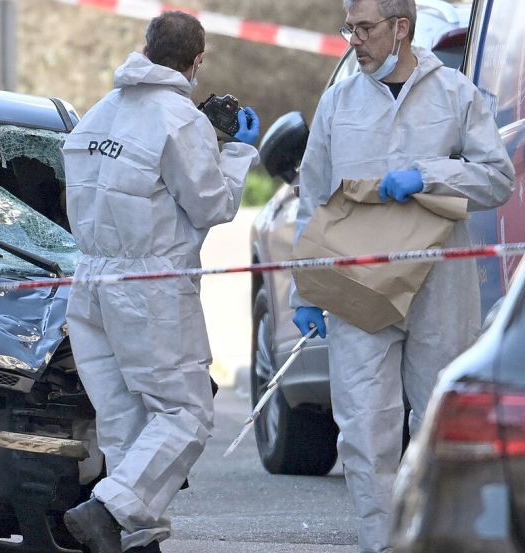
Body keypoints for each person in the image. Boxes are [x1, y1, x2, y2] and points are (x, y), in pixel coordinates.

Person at [289, 1, 515, 551]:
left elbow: (497, 179)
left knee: (439, 423)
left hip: (440, 283)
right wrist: (304, 287)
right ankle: (382, 544)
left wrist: (427, 177)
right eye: (349, 28)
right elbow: (313, 198)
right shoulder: (339, 101)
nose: (354, 41)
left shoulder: (456, 95)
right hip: (358, 281)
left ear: (401, 29)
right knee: (365, 431)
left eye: (364, 29)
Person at [60, 11, 260, 553]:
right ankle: (109, 511)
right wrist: (237, 151)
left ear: (145, 50)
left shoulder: (100, 115)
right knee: (185, 414)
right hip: (147, 286)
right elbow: (212, 204)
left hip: (91, 282)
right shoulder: (180, 121)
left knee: (125, 420)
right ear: (197, 62)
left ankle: (135, 541)